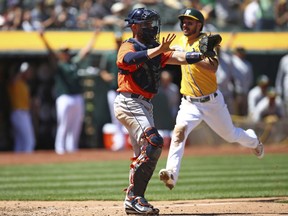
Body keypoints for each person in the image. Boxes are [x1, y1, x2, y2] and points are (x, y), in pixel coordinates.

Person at [114, 7, 214, 215]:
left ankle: (133, 200)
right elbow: (128, 61)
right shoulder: (129, 45)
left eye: (152, 23)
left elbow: (181, 57)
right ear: (134, 27)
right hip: (129, 103)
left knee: (143, 154)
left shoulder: (155, 48)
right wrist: (159, 50)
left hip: (144, 105)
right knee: (154, 142)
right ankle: (134, 198)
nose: (151, 28)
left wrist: (202, 53)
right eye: (146, 24)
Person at [158, 8, 264, 191]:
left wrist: (192, 57)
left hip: (212, 102)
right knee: (178, 133)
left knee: (230, 135)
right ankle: (172, 174)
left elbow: (212, 66)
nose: (185, 24)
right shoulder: (182, 41)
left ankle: (254, 141)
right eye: (183, 21)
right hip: (189, 103)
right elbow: (173, 58)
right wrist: (166, 54)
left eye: (190, 22)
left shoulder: (206, 42)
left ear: (199, 25)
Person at [39, 29, 100, 154]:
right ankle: (60, 149)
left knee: (76, 125)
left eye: (66, 51)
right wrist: (43, 38)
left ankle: (72, 148)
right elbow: (50, 53)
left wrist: (94, 37)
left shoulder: (73, 63)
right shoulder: (59, 65)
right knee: (64, 124)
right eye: (63, 52)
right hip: (64, 97)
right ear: (60, 54)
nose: (65, 53)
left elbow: (85, 52)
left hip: (77, 97)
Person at [99, 32, 126, 151]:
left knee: (128, 116)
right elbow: (102, 70)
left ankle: (128, 141)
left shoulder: (126, 53)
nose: (118, 42)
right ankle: (119, 142)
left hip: (125, 90)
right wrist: (106, 76)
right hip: (113, 89)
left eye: (120, 40)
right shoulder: (110, 55)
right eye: (117, 40)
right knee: (115, 117)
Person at [7, 62, 36, 153]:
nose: (29, 73)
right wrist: (20, 71)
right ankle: (28, 161)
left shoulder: (25, 85)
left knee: (20, 142)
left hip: (24, 113)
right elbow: (13, 80)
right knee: (29, 141)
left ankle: (17, 161)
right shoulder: (15, 82)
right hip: (18, 113)